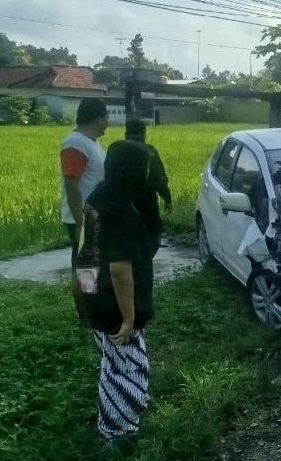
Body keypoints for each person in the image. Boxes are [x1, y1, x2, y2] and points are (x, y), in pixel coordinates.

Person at [75, 140, 155, 444]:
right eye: (144, 169)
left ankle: (115, 420)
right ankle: (117, 432)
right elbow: (120, 271)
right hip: (116, 306)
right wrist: (128, 318)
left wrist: (86, 303)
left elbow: (86, 251)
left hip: (96, 297)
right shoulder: (122, 210)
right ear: (133, 171)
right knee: (129, 371)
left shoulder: (97, 196)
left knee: (112, 363)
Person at [60, 97, 108, 323]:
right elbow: (71, 185)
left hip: (92, 217)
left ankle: (93, 312)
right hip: (83, 218)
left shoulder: (90, 142)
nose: (108, 122)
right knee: (85, 269)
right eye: (106, 117)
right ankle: (86, 318)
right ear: (99, 118)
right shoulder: (75, 144)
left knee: (91, 267)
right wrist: (80, 221)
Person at [125, 120, 172, 258]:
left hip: (123, 203)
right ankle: (143, 264)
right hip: (146, 202)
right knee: (152, 234)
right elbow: (159, 178)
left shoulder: (117, 151)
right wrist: (167, 198)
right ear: (144, 134)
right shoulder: (149, 151)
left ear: (125, 134)